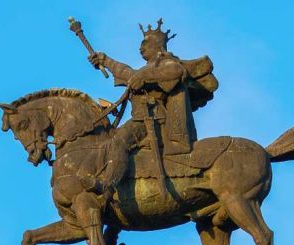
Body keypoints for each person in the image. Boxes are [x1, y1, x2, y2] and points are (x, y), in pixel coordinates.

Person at [86, 19, 217, 199]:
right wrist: (105, 60)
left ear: (157, 45)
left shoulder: (166, 61)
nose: (141, 47)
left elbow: (176, 72)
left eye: (145, 43)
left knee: (118, 141)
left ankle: (108, 186)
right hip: (142, 119)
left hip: (154, 121)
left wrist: (146, 76)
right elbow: (129, 74)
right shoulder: (147, 69)